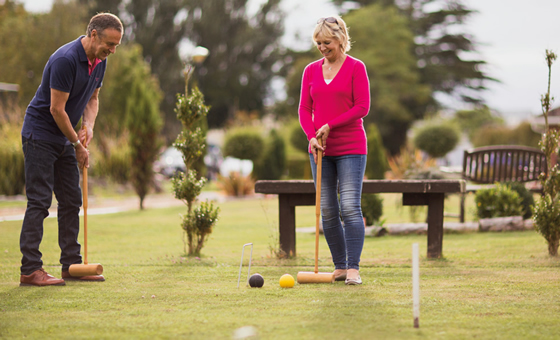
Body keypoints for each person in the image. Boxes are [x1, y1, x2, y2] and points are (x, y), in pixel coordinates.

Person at [19, 13, 123, 286]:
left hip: (63, 137)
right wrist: (77, 145)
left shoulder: (99, 62)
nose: (111, 51)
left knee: (71, 201)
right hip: (39, 134)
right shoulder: (66, 59)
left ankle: (72, 265)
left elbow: (93, 98)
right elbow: (56, 109)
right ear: (93, 35)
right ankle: (30, 269)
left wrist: (87, 126)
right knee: (40, 202)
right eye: (109, 44)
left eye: (116, 46)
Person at [298, 16, 370, 285]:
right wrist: (311, 136)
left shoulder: (356, 68)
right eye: (318, 43)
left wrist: (330, 125)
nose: (322, 47)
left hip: (351, 146)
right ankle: (339, 266)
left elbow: (362, 107)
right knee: (327, 209)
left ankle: (353, 268)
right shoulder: (310, 71)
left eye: (327, 42)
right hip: (320, 149)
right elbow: (305, 109)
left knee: (350, 206)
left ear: (340, 39)